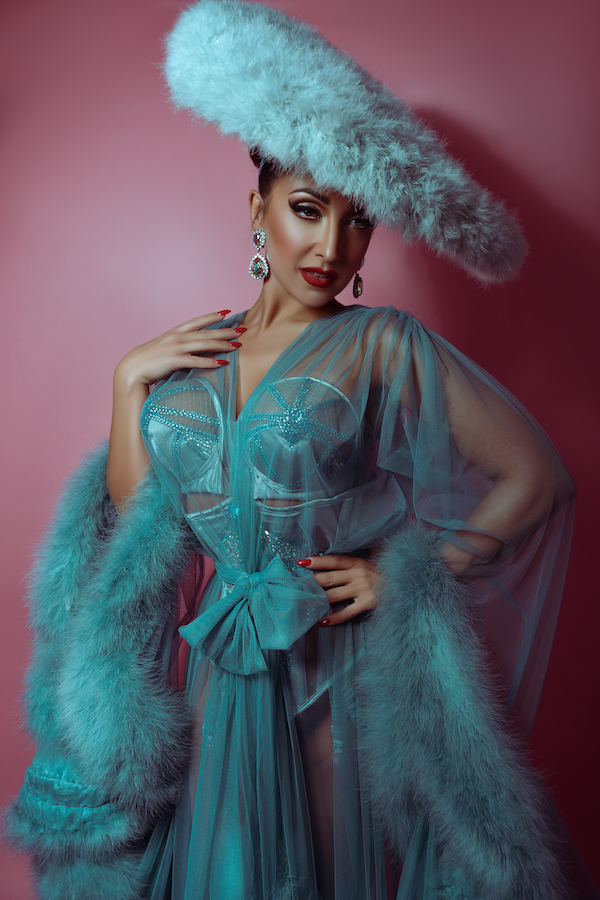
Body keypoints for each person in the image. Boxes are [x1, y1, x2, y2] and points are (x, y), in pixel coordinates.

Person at [7, 3, 594, 900]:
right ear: (259, 209)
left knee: (312, 876)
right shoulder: (194, 353)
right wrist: (129, 385)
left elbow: (538, 477)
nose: (330, 245)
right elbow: (141, 523)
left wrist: (412, 574)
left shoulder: (383, 343)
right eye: (308, 210)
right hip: (217, 661)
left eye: (357, 221)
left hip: (328, 661)